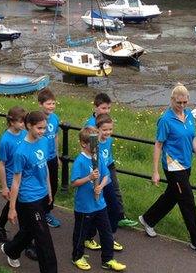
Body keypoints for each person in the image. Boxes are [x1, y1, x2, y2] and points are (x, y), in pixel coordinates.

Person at [139, 84, 196, 255]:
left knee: (172, 196)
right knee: (187, 201)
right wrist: (155, 171)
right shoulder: (165, 120)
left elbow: (193, 139)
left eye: (185, 102)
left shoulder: (188, 115)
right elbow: (158, 145)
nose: (182, 106)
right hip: (173, 167)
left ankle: (147, 219)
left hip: (187, 165)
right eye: (179, 102)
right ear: (172, 100)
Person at [1, 111, 56, 272]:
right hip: (29, 198)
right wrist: (11, 209)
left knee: (31, 230)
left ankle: (11, 249)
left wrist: (49, 190)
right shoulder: (21, 152)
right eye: (39, 128)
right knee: (44, 239)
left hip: (42, 193)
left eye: (44, 128)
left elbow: (44, 166)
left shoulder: (44, 141)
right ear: (29, 126)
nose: (42, 131)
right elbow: (16, 182)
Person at [71, 126, 126, 272]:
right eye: (93, 143)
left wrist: (100, 186)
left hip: (100, 204)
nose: (96, 146)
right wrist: (89, 178)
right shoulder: (80, 161)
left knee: (106, 233)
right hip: (84, 206)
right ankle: (77, 257)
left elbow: (106, 175)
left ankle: (107, 259)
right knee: (81, 234)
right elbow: (74, 182)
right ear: (84, 143)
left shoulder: (99, 157)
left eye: (97, 143)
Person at [84, 93, 138, 228]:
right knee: (100, 190)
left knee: (115, 189)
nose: (106, 111)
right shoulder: (91, 126)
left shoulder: (107, 122)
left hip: (109, 162)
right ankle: (100, 219)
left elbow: (107, 144)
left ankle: (119, 217)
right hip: (98, 166)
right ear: (95, 108)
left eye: (108, 108)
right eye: (103, 108)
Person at [0, 106, 27, 243]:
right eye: (21, 121)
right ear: (12, 122)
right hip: (13, 179)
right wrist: (4, 186)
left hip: (24, 176)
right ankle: (26, 242)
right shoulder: (5, 140)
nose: (23, 124)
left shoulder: (24, 133)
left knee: (15, 204)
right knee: (21, 208)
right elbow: (1, 164)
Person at [37, 88, 61, 228]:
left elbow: (56, 136)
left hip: (51, 157)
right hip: (41, 159)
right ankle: (41, 212)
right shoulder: (37, 120)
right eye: (48, 104)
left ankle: (47, 211)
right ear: (41, 104)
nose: (51, 106)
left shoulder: (55, 118)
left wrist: (57, 156)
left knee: (53, 185)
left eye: (53, 103)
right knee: (42, 185)